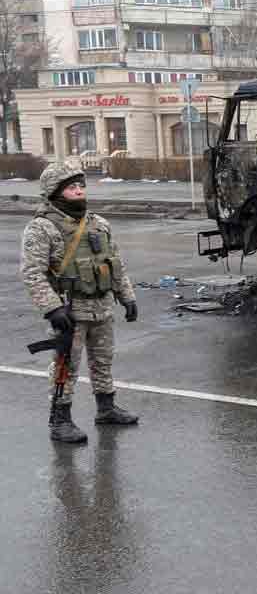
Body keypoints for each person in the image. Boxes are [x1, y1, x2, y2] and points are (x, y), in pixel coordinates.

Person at [20, 161, 139, 444]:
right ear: (55, 192)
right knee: (65, 367)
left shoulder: (99, 224)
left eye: (80, 186)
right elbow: (32, 272)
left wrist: (127, 297)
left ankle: (106, 408)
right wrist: (51, 307)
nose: (79, 191)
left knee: (103, 360)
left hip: (101, 307)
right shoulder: (42, 228)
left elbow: (115, 264)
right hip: (70, 311)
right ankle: (60, 420)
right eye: (72, 187)